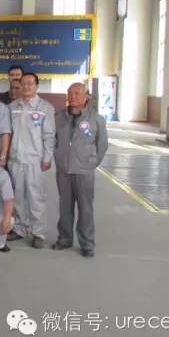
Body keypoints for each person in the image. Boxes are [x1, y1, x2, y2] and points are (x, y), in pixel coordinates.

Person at [53, 83, 108, 258]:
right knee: (64, 207)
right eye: (70, 93)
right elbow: (53, 140)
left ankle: (87, 244)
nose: (73, 96)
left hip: (84, 172)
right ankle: (64, 239)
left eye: (77, 93)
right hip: (64, 170)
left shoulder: (96, 119)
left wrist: (91, 163)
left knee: (85, 209)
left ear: (86, 97)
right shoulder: (59, 117)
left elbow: (102, 145)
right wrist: (58, 158)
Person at [8, 72, 56, 249]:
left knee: (36, 198)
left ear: (37, 86)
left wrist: (47, 157)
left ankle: (38, 233)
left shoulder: (45, 107)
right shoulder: (12, 107)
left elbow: (49, 135)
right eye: (23, 83)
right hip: (15, 160)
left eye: (30, 83)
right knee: (18, 197)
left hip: (35, 160)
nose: (26, 86)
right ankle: (20, 228)